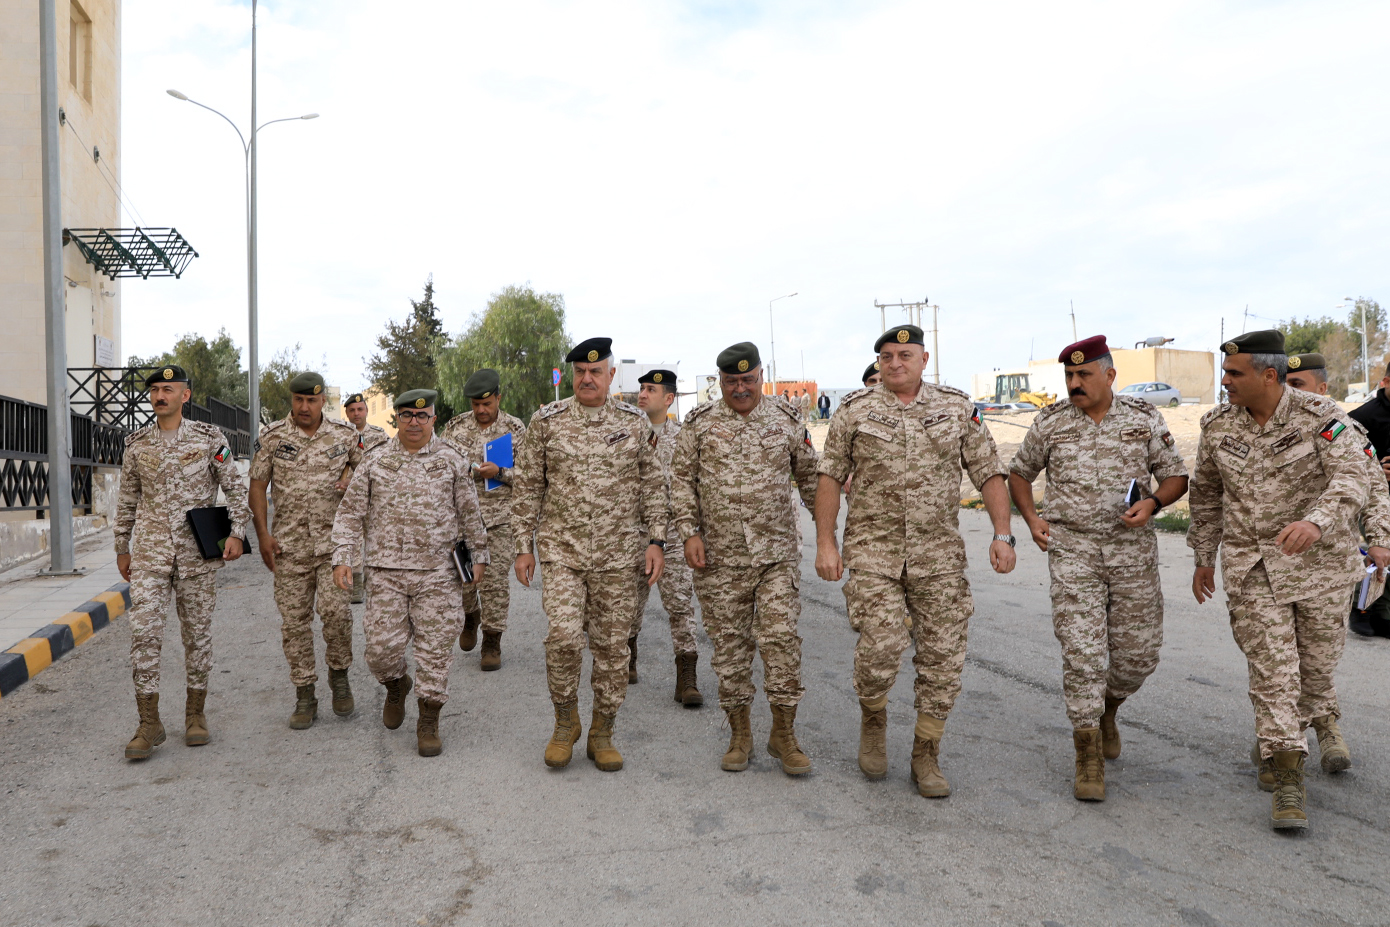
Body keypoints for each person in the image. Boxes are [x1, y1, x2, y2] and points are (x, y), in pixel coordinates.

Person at [1189, 330, 1390, 830]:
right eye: (1224, 372)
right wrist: (1203, 556)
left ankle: (1292, 733)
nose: (1225, 381)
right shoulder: (1216, 425)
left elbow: (1356, 477)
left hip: (1322, 567)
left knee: (1314, 674)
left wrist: (1317, 521)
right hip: (1253, 568)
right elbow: (1206, 494)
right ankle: (1287, 775)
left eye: (1234, 373)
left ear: (1268, 375)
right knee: (1274, 673)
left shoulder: (1321, 417)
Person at [815, 325, 1017, 798]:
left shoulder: (956, 408)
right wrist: (826, 542)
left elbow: (988, 471)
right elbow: (829, 476)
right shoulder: (854, 410)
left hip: (938, 555)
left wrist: (1003, 534)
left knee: (944, 657)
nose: (895, 363)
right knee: (880, 647)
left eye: (905, 355)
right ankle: (873, 716)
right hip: (873, 552)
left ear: (924, 359)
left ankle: (926, 752)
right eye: (886, 356)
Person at [1007, 336, 1189, 801]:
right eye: (1069, 375)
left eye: (1084, 374)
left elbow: (1175, 476)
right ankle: (1087, 753)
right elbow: (1020, 473)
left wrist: (1153, 503)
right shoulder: (1050, 422)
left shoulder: (1143, 418)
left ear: (1109, 375)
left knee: (1137, 658)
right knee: (1083, 654)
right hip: (1073, 551)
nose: (1074, 383)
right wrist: (1031, 518)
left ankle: (1109, 706)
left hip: (1132, 552)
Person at [511, 338, 668, 772]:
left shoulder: (634, 423)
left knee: (613, 647)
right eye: (580, 371)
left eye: (595, 372)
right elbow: (527, 487)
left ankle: (602, 731)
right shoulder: (547, 421)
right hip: (562, 552)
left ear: (610, 375)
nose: (587, 378)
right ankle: (565, 722)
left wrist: (657, 540)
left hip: (619, 555)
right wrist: (523, 547)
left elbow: (654, 485)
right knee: (563, 637)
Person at [670, 344, 819, 774]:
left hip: (776, 556)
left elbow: (811, 478)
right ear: (720, 382)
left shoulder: (787, 419)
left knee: (781, 641)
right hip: (718, 558)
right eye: (731, 381)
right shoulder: (699, 423)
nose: (740, 388)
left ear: (760, 376)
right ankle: (740, 734)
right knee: (730, 650)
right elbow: (681, 480)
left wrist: (828, 537)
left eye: (747, 380)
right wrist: (689, 532)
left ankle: (784, 734)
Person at [330, 390, 489, 757]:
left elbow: (469, 512)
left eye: (422, 415)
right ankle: (396, 684)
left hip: (439, 573)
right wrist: (342, 557)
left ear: (433, 419)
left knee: (435, 650)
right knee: (379, 651)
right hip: (385, 572)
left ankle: (429, 718)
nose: (414, 422)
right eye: (406, 415)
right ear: (397, 419)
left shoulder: (452, 459)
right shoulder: (375, 460)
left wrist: (479, 554)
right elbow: (350, 513)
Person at [114, 365, 249, 760]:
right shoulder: (137, 444)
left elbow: (234, 487)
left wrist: (237, 532)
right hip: (150, 554)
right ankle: (149, 723)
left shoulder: (209, 439)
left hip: (197, 554)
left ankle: (195, 715)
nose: (160, 396)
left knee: (197, 636)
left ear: (184, 396)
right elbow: (127, 498)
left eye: (168, 390)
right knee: (144, 634)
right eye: (155, 390)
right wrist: (122, 546)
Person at [249, 372, 364, 729]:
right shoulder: (272, 437)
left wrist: (350, 478)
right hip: (289, 546)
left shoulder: (345, 435)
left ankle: (339, 676)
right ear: (292, 400)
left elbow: (367, 474)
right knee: (295, 622)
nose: (304, 407)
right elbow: (257, 486)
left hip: (334, 547)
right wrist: (262, 534)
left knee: (337, 614)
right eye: (298, 399)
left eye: (311, 400)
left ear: (322, 402)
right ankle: (304, 693)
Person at [441, 369, 527, 671]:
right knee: (464, 580)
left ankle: (492, 640)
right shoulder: (455, 427)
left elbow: (530, 475)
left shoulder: (514, 429)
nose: (481, 410)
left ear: (498, 398)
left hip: (499, 519)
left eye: (487, 404)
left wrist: (500, 473)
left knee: (494, 583)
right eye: (476, 404)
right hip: (462, 521)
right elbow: (440, 465)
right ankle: (470, 615)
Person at [632, 368, 703, 705]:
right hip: (633, 534)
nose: (642, 394)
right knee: (629, 605)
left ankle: (686, 678)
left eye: (651, 389)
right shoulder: (627, 434)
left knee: (680, 606)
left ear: (669, 398)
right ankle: (627, 657)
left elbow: (694, 485)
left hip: (673, 537)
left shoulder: (685, 438)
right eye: (641, 388)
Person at [1349, 361, 1390, 638]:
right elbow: (1343, 462)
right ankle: (1361, 607)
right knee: (1378, 550)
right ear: (1385, 382)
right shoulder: (1361, 417)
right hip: (1372, 497)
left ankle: (1383, 613)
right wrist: (1375, 470)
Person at [342, 392, 388, 604]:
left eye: (360, 409)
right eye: (352, 410)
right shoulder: (340, 435)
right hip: (350, 496)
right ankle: (357, 586)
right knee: (353, 540)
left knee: (376, 539)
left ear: (367, 411)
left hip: (375, 496)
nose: (356, 413)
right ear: (347, 413)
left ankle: (377, 581)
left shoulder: (379, 435)